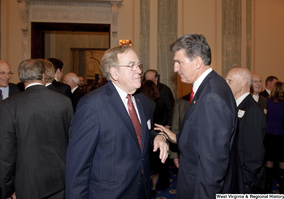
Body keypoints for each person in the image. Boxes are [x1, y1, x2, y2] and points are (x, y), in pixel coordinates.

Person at [65, 45, 169, 199]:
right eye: (131, 66)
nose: (139, 71)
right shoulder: (92, 104)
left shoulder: (142, 102)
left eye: (139, 65)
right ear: (114, 72)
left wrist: (158, 137)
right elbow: (77, 168)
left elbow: (138, 135)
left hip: (142, 191)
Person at [154, 34, 241, 198]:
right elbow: (203, 139)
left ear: (198, 62)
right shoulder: (210, 86)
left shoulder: (211, 96)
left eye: (179, 62)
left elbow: (213, 165)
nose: (175, 68)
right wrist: (178, 138)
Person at [0, 59, 74, 199]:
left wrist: (7, 189)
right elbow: (73, 143)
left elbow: (6, 155)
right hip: (60, 182)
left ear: (21, 78)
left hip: (27, 184)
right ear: (43, 75)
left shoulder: (9, 106)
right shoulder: (64, 102)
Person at [226, 68, 266, 193]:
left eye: (230, 80)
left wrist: (246, 181)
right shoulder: (237, 105)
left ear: (244, 82)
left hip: (245, 181)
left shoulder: (252, 110)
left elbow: (255, 153)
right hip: (236, 174)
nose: (226, 84)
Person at [144, 69, 175, 189]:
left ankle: (163, 183)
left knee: (162, 158)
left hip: (162, 129)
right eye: (147, 80)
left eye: (151, 80)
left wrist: (168, 125)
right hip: (150, 130)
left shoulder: (165, 89)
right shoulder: (141, 90)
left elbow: (170, 109)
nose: (149, 82)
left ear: (156, 79)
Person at [140, 80, 165, 197]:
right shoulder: (159, 102)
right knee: (156, 165)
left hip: (150, 136)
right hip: (158, 134)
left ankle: (149, 187)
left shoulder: (145, 103)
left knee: (149, 165)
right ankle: (154, 187)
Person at [264, 81, 284, 194]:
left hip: (269, 134)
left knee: (269, 159)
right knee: (283, 160)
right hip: (282, 135)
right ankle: (282, 187)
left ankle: (268, 185)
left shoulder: (267, 102)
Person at [169, 93, 190, 169]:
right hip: (184, 155)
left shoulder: (210, 100)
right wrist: (175, 155)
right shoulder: (180, 103)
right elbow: (175, 129)